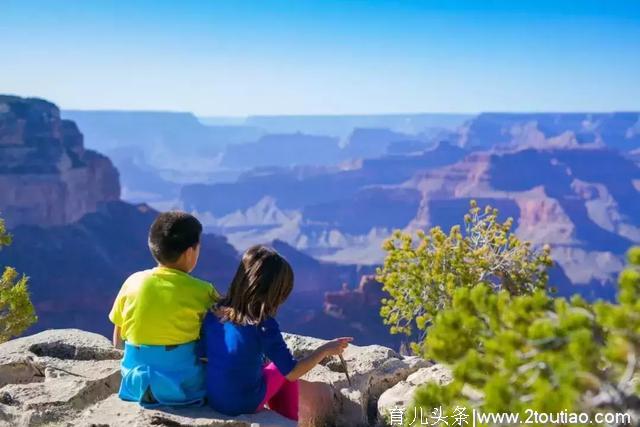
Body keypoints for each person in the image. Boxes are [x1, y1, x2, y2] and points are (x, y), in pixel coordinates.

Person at [201, 244, 352, 421]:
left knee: (268, 368)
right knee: (283, 371)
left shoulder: (213, 312)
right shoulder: (263, 324)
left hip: (214, 398)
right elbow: (292, 372)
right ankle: (288, 422)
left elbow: (208, 355)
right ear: (274, 292)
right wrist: (326, 349)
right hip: (243, 403)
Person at [108, 211, 218, 406]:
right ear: (190, 252)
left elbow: (118, 336)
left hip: (134, 383)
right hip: (182, 386)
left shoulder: (133, 281)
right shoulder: (203, 291)